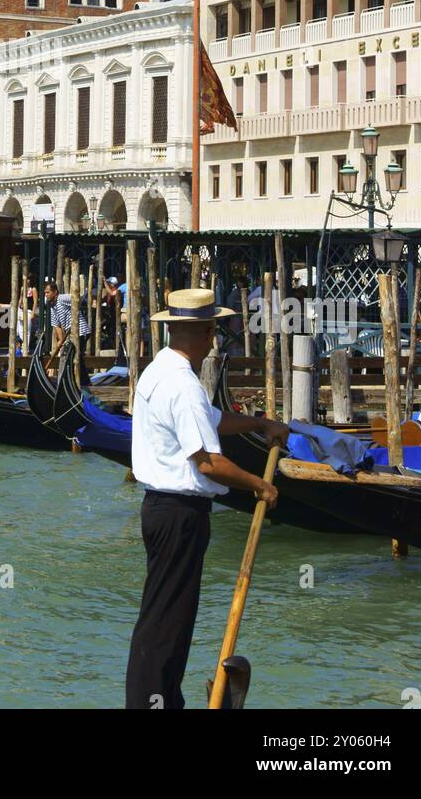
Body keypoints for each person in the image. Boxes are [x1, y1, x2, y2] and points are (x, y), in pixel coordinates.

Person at [125, 287, 290, 711]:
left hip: (160, 510)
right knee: (169, 622)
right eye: (214, 329)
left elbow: (214, 420)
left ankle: (158, 701)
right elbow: (208, 463)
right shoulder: (182, 385)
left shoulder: (157, 371)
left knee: (161, 617)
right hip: (179, 514)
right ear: (203, 333)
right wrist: (259, 484)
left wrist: (260, 423)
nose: (217, 336)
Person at [47, 283, 90, 372]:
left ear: (55, 292)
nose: (46, 295)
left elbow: (77, 298)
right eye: (45, 293)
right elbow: (57, 325)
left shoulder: (61, 298)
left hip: (81, 331)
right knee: (75, 356)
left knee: (74, 355)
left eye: (48, 292)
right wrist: (60, 340)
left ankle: (83, 380)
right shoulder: (52, 307)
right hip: (72, 334)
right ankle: (84, 381)